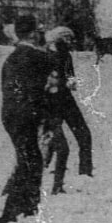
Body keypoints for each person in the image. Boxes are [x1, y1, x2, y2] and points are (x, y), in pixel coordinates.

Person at [0, 14, 52, 223]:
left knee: (28, 158)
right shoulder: (35, 56)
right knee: (30, 160)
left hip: (11, 115)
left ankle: (24, 206)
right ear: (32, 33)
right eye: (38, 31)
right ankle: (16, 210)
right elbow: (56, 65)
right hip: (25, 115)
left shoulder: (12, 57)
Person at [46, 26, 94, 176]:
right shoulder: (45, 56)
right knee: (54, 139)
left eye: (71, 39)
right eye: (67, 38)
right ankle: (45, 166)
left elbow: (70, 75)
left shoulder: (67, 56)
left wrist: (72, 82)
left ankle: (85, 172)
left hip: (66, 99)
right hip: (51, 102)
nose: (70, 42)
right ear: (58, 39)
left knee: (84, 134)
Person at [39, 66, 71, 195]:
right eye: (52, 77)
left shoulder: (59, 92)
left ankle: (57, 186)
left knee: (47, 158)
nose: (54, 80)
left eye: (57, 77)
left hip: (55, 126)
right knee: (61, 152)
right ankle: (56, 186)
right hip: (48, 128)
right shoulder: (45, 93)